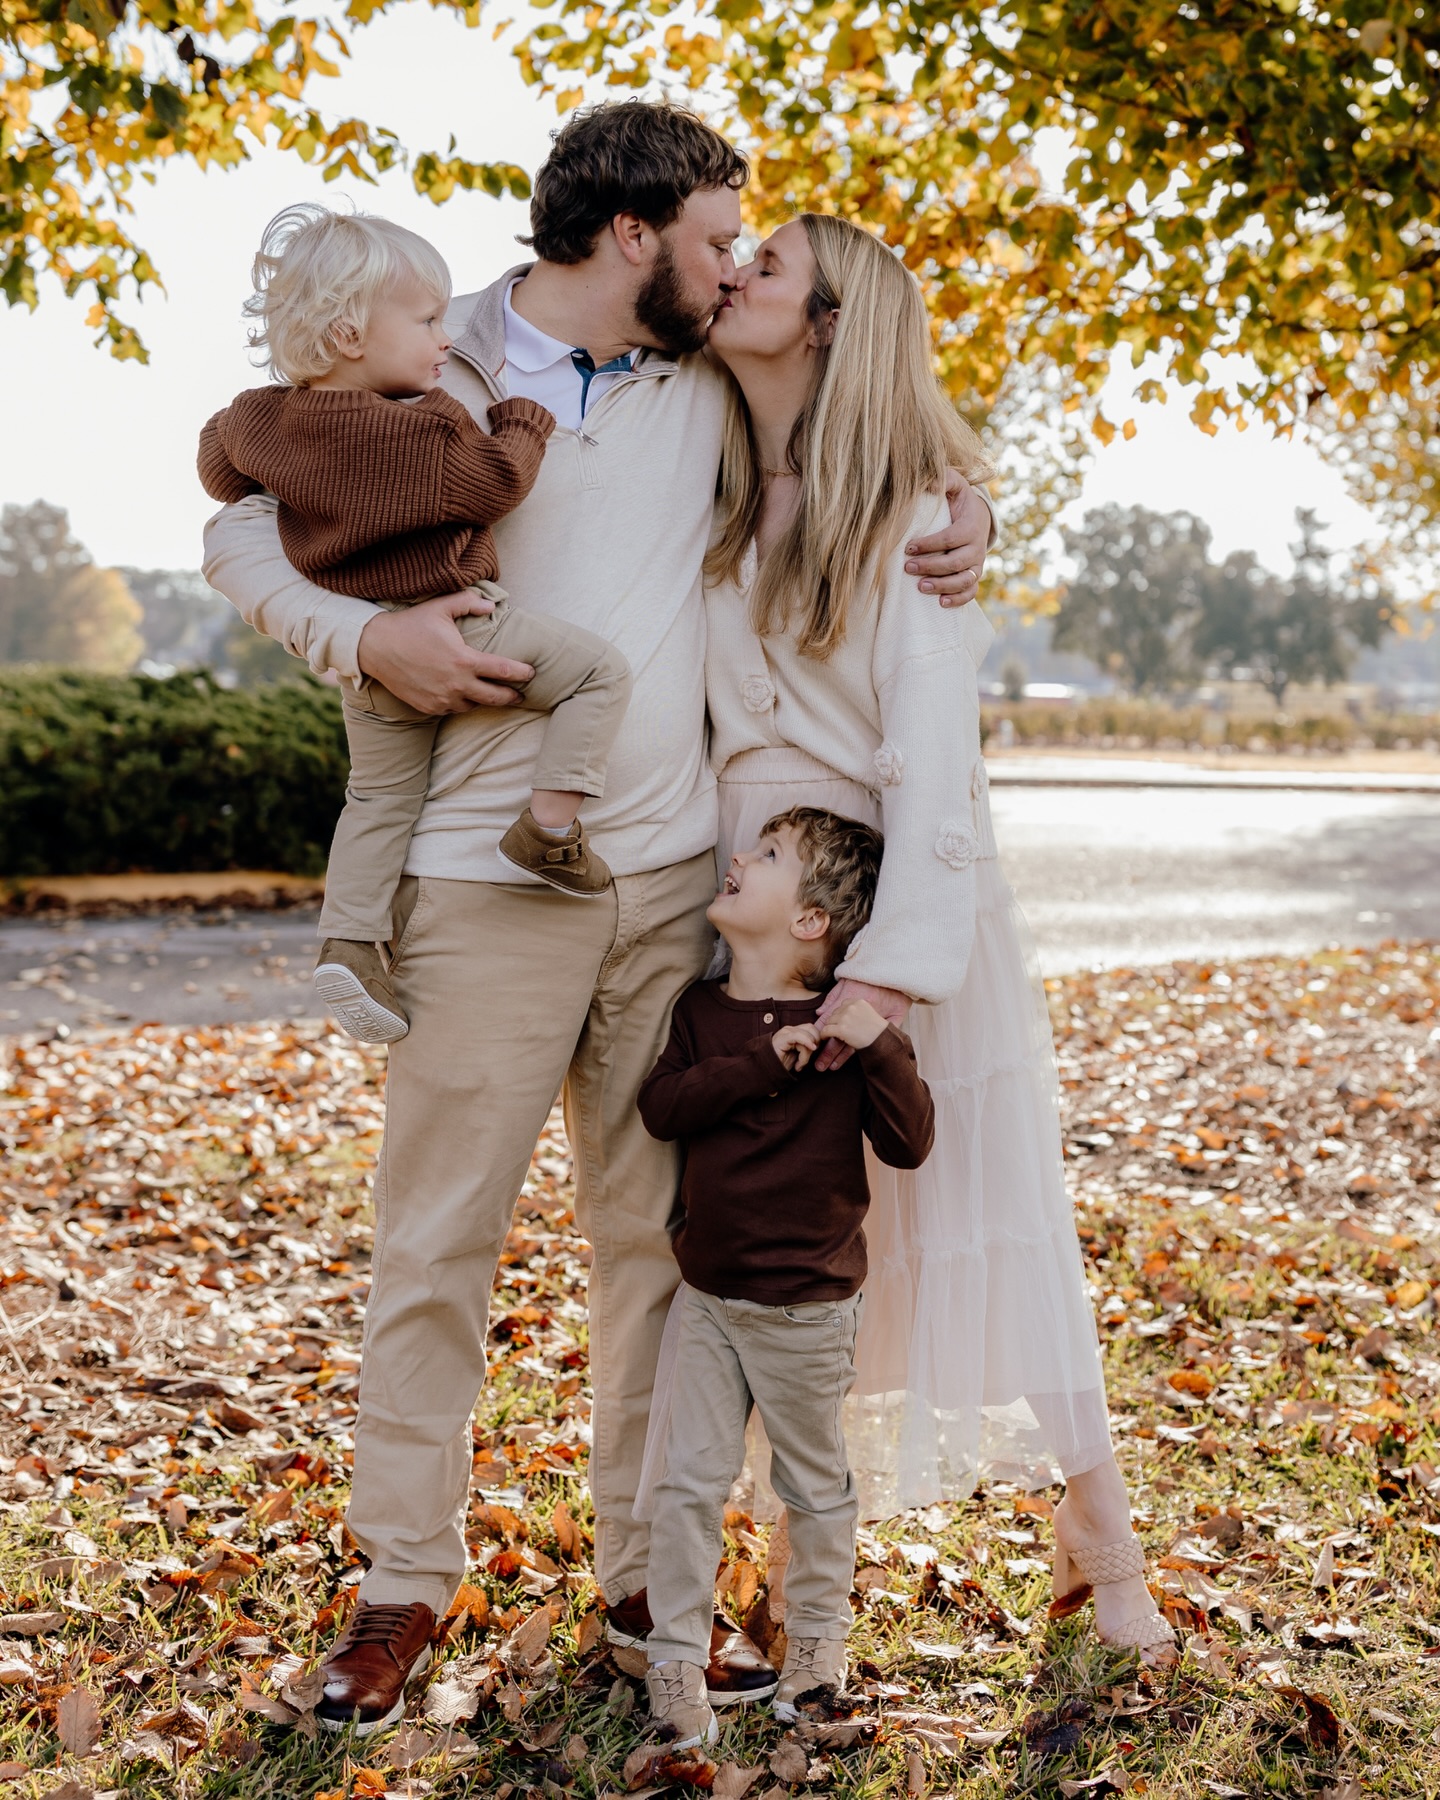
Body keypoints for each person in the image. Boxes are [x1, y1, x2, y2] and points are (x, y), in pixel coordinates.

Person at [201, 101, 996, 1736]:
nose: (733, 269)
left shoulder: (706, 386)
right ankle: (403, 1587)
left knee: (658, 1251)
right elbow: (235, 519)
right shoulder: (431, 348)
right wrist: (359, 642)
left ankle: (645, 1576)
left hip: (664, 904)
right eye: (715, 237)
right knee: (435, 1248)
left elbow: (852, 418)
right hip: (480, 891)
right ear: (631, 237)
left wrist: (964, 490)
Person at [697, 212, 1177, 1662]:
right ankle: (788, 1555)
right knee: (793, 1232)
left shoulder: (910, 516)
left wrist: (888, 974)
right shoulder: (706, 481)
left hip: (900, 913)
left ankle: (1102, 1539)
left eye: (767, 266)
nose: (733, 278)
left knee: (978, 1223)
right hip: (748, 905)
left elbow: (937, 752)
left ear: (832, 322)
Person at [199, 204, 632, 1047]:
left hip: (371, 659)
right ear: (352, 334)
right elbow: (494, 486)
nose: (445, 338)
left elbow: (218, 464)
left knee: (377, 798)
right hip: (462, 625)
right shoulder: (426, 429)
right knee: (599, 675)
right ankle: (548, 829)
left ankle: (350, 943)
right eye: (428, 320)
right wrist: (522, 422)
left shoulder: (258, 417)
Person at [634, 806, 934, 1748]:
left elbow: (910, 1141)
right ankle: (676, 1657)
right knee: (689, 1483)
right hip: (713, 1297)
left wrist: (873, 1039)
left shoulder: (847, 1030)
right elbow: (662, 1108)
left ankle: (815, 1653)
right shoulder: (700, 1011)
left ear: (811, 920)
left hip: (809, 1307)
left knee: (815, 1487)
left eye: (766, 856)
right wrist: (764, 1060)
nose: (738, 856)